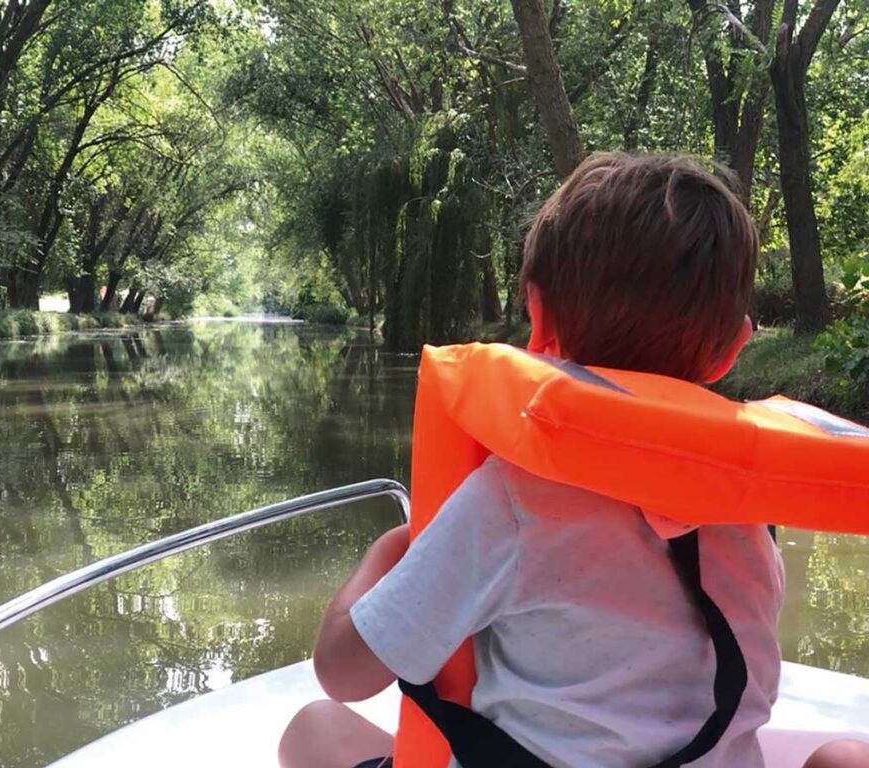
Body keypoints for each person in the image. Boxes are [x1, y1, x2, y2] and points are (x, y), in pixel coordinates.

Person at [277, 153, 869, 768]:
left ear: (538, 317)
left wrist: (397, 546)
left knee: (315, 728)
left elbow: (344, 675)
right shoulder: (751, 513)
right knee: (846, 755)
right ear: (732, 350)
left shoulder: (510, 501)